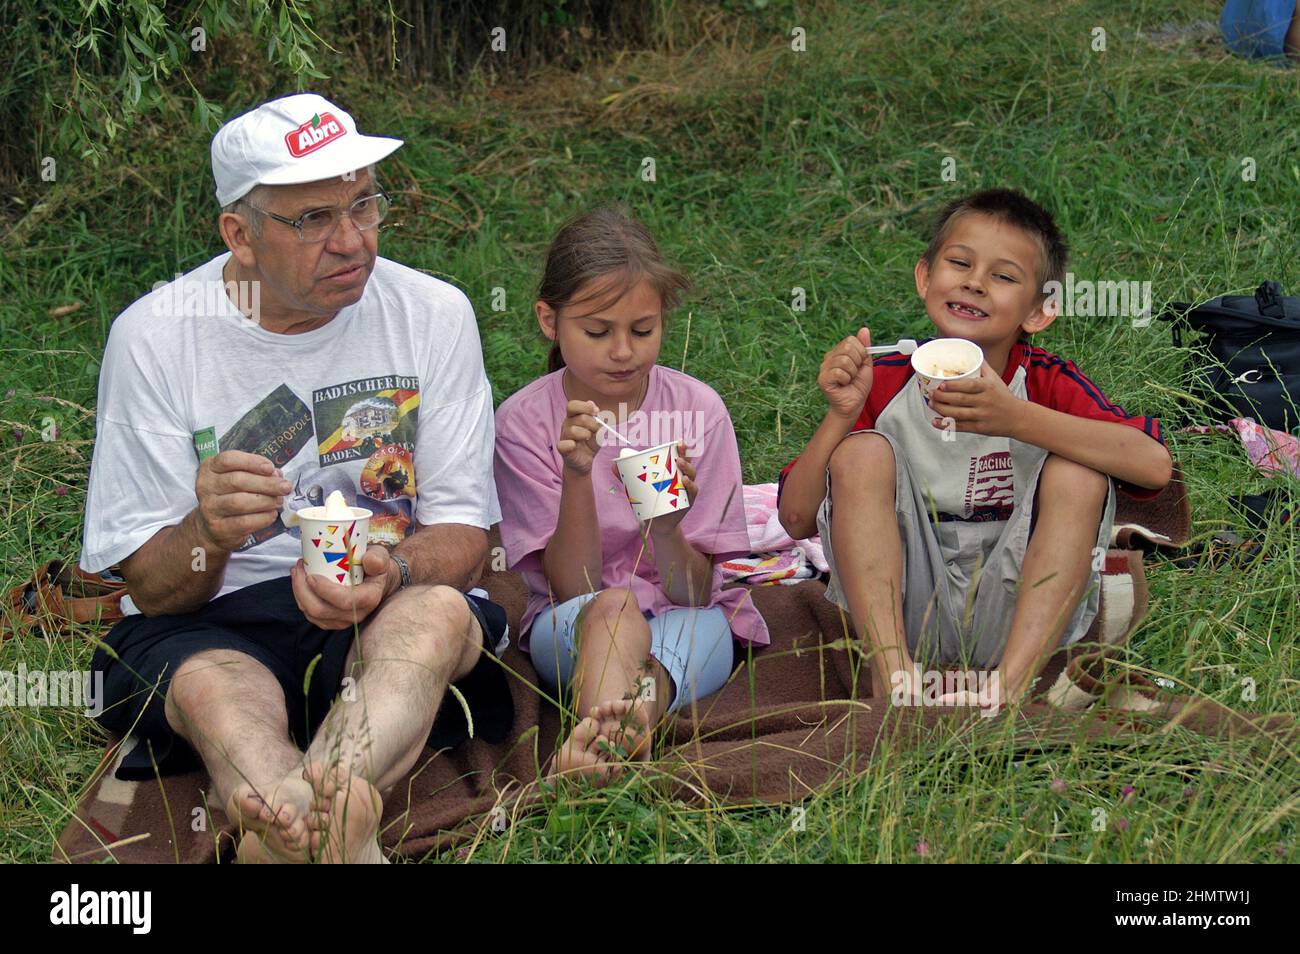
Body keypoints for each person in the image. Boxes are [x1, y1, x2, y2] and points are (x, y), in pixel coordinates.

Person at [80, 93, 512, 863]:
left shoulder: (433, 313)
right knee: (218, 690)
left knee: (438, 617)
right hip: (218, 620)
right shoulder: (154, 338)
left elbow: (466, 535)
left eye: (364, 204)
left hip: (383, 607)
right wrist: (205, 534)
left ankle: (291, 820)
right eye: (312, 219)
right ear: (238, 235)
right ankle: (328, 823)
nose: (351, 241)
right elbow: (150, 587)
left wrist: (395, 570)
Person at [777, 188, 1172, 711]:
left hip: (1018, 611)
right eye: (959, 263)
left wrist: (1016, 418)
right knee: (861, 452)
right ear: (924, 277)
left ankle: (1008, 687)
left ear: (1039, 311)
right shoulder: (886, 381)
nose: (974, 282)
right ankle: (894, 678)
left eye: (1004, 276)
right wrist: (841, 416)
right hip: (905, 606)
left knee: (1082, 472)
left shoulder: (1046, 382)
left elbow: (1153, 465)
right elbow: (797, 518)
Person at [493, 206, 767, 781]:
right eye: (598, 332)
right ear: (549, 320)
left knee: (664, 657)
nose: (624, 351)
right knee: (614, 607)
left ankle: (601, 752)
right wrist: (576, 476)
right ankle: (615, 748)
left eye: (643, 330)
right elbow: (576, 588)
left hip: (686, 618)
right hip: (570, 624)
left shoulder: (698, 411)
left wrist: (666, 527)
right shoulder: (524, 423)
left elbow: (693, 595)